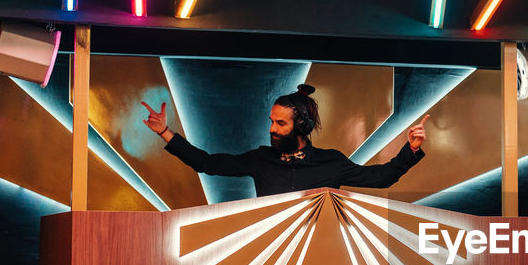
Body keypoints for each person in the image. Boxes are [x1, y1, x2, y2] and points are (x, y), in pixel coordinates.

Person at [142, 84, 428, 197]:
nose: (273, 129)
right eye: (271, 121)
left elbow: (382, 178)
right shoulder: (260, 159)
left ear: (301, 126)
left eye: (280, 123)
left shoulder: (331, 162)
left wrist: (411, 149)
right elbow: (208, 163)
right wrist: (166, 133)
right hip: (271, 261)